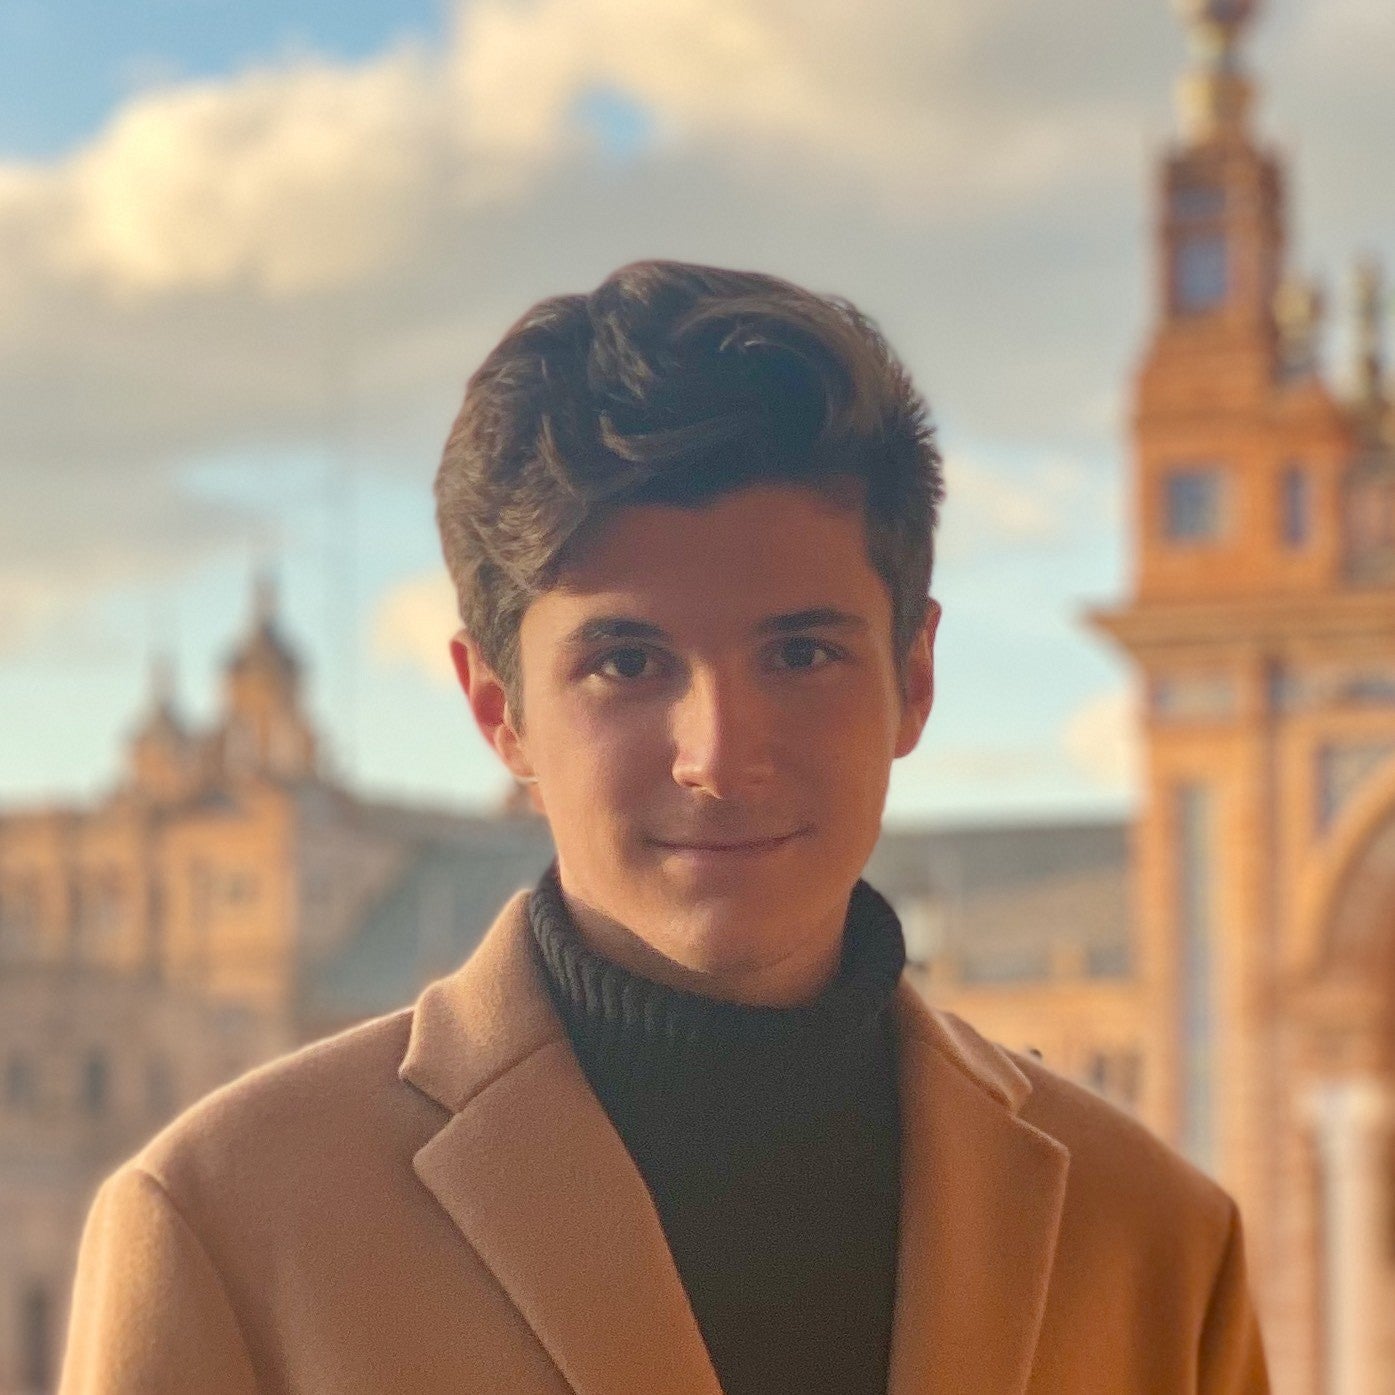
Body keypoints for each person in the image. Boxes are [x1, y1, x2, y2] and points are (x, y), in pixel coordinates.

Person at [59, 261, 1270, 1394]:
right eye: (627, 661)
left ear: (916, 676)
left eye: (801, 652)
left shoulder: (1154, 1244)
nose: (721, 755)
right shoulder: (226, 1225)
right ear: (501, 714)